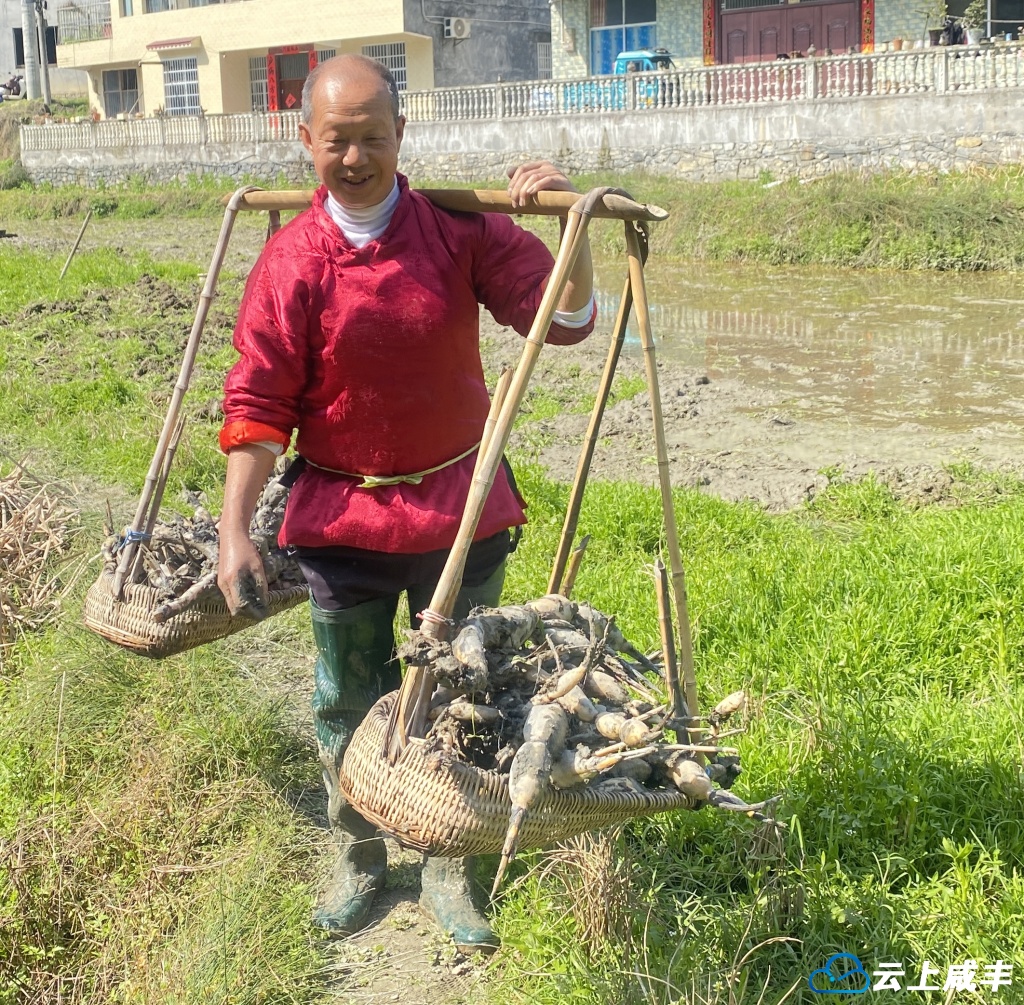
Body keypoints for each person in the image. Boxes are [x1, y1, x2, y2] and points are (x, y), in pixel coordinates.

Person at [216, 53, 595, 951]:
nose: (354, 158)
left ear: (401, 137)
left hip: (461, 513)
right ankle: (358, 852)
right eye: (335, 140)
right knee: (347, 696)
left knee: (463, 695)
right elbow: (259, 404)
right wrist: (235, 524)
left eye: (373, 139)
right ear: (303, 138)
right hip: (343, 521)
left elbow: (566, 321)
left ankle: (447, 863)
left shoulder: (458, 231)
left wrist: (572, 222)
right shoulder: (290, 263)